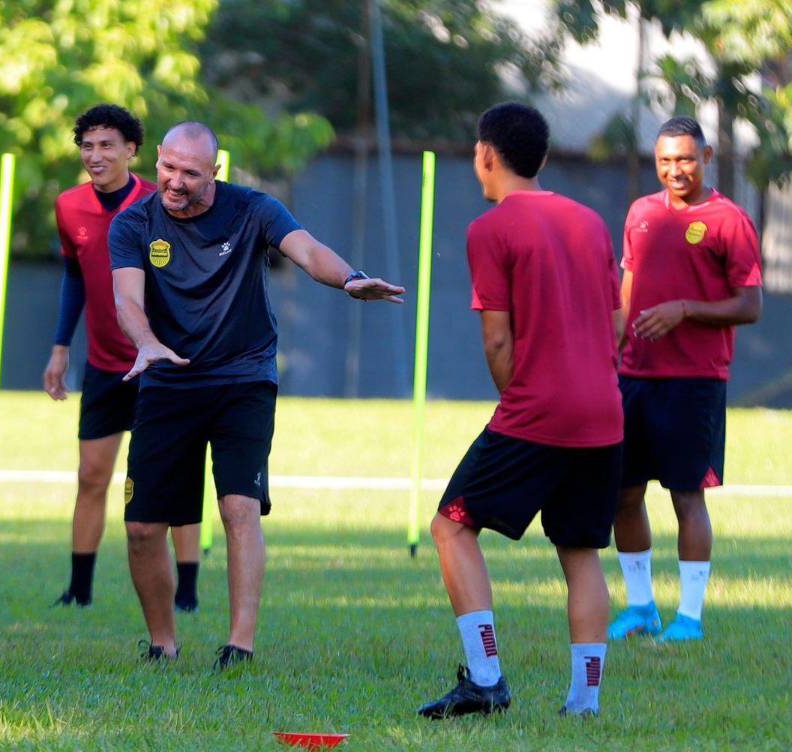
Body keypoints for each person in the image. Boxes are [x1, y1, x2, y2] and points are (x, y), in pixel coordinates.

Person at [109, 121, 403, 668]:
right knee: (143, 527)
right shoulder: (133, 224)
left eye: (190, 174)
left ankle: (239, 645)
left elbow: (309, 251)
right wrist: (146, 343)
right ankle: (162, 643)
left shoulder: (253, 210)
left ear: (214, 173)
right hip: (167, 379)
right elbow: (128, 299)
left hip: (242, 379)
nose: (175, 181)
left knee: (239, 507)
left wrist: (350, 279)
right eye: (168, 168)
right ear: (157, 162)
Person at [417, 103, 623, 719]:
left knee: (452, 525)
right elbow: (616, 324)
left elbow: (498, 341)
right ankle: (583, 702)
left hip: (537, 412)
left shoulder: (491, 229)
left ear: (486, 153)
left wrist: (518, 400)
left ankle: (486, 680)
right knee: (580, 552)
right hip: (604, 415)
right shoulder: (589, 221)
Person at [608, 117, 763, 643]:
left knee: (685, 496)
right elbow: (628, 295)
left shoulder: (729, 220)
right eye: (666, 161)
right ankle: (641, 607)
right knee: (623, 495)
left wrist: (685, 310)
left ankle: (690, 619)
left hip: (694, 380)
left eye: (686, 159)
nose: (676, 170)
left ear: (708, 156)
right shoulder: (641, 213)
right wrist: (611, 352)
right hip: (634, 378)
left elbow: (750, 305)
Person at [45, 105, 202, 611]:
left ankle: (189, 592)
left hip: (161, 362)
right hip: (105, 365)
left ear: (133, 150)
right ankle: (78, 590)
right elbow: (74, 276)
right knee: (91, 475)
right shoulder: (68, 207)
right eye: (87, 145)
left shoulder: (162, 203)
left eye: (107, 145)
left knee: (173, 479)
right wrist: (60, 346)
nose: (96, 155)